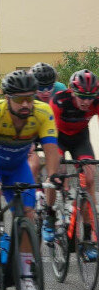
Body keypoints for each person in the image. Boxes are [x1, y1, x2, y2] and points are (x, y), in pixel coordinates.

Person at [0, 70, 61, 290]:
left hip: (18, 165)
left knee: (28, 218)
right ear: (7, 97)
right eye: (20, 99)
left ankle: (28, 280)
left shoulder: (42, 112)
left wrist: (52, 176)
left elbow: (52, 150)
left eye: (30, 98)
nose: (26, 104)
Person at [47, 70, 99, 251]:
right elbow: (49, 134)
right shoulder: (60, 100)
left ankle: (87, 235)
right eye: (82, 96)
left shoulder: (96, 102)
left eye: (90, 97)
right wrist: (56, 163)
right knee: (58, 177)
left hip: (80, 140)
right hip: (58, 138)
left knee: (90, 179)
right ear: (72, 92)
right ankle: (50, 214)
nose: (86, 101)